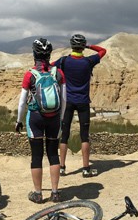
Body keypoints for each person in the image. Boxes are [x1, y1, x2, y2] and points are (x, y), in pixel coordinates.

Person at [16, 38, 66, 203]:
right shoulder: (58, 73)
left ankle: (38, 194)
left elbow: (22, 102)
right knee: (53, 154)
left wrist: (18, 120)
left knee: (36, 156)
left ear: (34, 54)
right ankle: (55, 192)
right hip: (54, 119)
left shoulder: (30, 74)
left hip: (35, 118)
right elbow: (64, 99)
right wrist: (61, 117)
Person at [54, 34, 106, 177]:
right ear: (83, 47)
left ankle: (62, 168)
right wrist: (89, 47)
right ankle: (85, 169)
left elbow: (50, 66)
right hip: (83, 102)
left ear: (71, 46)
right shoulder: (89, 61)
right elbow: (102, 51)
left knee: (64, 135)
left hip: (67, 101)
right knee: (84, 136)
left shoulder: (63, 61)